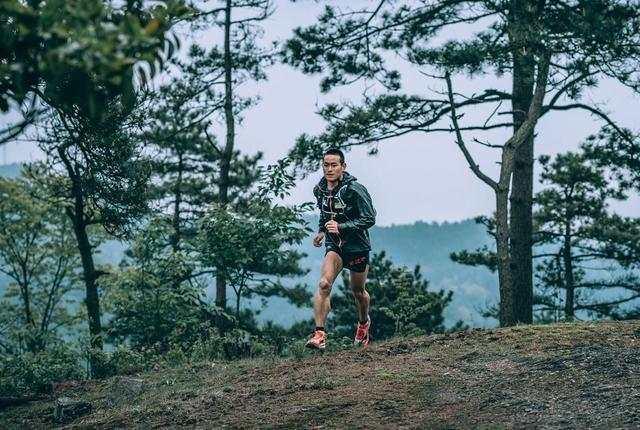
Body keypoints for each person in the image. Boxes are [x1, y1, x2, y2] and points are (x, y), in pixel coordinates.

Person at [305, 148, 376, 350]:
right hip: (334, 244)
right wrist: (321, 230)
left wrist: (342, 226)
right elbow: (325, 211)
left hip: (357, 246)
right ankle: (319, 334)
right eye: (326, 165)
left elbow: (369, 218)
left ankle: (363, 324)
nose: (329, 169)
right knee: (324, 284)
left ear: (343, 167)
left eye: (334, 165)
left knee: (358, 292)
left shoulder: (355, 189)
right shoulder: (320, 189)